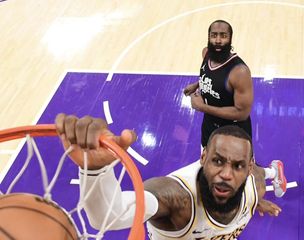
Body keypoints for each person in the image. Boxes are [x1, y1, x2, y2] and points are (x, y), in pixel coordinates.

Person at [55, 113, 282, 240]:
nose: (225, 174)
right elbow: (108, 216)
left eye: (238, 166)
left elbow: (254, 181)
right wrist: (95, 170)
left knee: (264, 174)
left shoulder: (255, 184)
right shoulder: (176, 198)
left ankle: (275, 169)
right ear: (203, 157)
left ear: (249, 168)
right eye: (218, 160)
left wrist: (256, 202)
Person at [183, 20, 287, 198]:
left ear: (230, 39)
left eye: (223, 36)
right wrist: (197, 85)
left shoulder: (240, 72)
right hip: (209, 126)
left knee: (245, 174)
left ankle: (273, 172)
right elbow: (209, 75)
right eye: (214, 35)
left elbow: (242, 112)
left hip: (235, 130)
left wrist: (203, 107)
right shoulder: (206, 54)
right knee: (209, 165)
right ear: (208, 37)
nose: (217, 40)